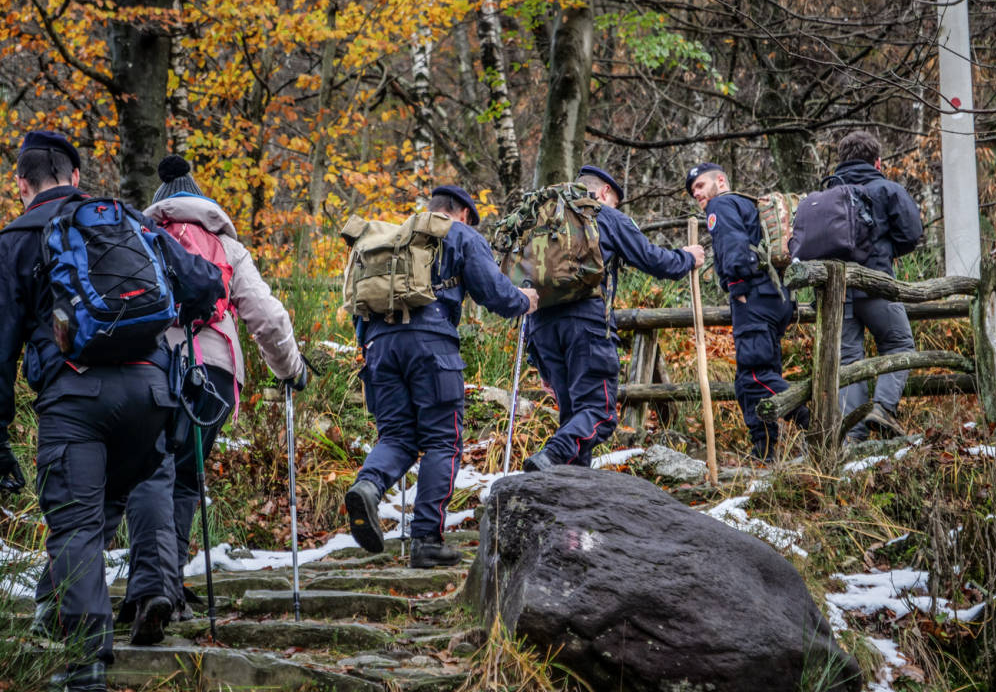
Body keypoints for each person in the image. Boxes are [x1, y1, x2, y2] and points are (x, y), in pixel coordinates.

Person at [0, 132, 223, 692]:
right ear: (76, 177)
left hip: (75, 400)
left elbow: (0, 349)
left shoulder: (16, 240)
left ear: (21, 184)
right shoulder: (127, 220)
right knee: (126, 492)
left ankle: (86, 663)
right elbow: (204, 284)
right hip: (151, 396)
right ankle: (106, 597)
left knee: (75, 522)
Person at [118, 155, 310, 643]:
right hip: (215, 376)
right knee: (185, 478)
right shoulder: (226, 245)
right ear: (203, 201)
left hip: (151, 370)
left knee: (149, 474)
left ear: (160, 205)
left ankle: (151, 589)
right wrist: (292, 369)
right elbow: (267, 317)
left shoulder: (141, 237)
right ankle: (168, 590)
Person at [345, 186, 539, 568]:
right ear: (462, 212)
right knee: (441, 441)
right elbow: (494, 293)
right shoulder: (459, 234)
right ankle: (426, 541)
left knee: (397, 437)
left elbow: (360, 305)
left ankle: (367, 485)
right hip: (431, 347)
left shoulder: (392, 238)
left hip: (379, 347)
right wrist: (524, 300)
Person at [522, 165, 705, 472]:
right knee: (599, 413)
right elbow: (653, 260)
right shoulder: (602, 215)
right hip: (586, 326)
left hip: (541, 328)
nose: (616, 207)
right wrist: (687, 257)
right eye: (616, 202)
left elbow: (525, 281)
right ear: (605, 191)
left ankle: (566, 484)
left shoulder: (541, 221)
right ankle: (553, 455)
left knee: (574, 417)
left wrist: (535, 355)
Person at [686, 162, 808, 463]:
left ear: (720, 180)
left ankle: (817, 423)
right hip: (776, 297)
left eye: (700, 185)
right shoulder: (747, 205)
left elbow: (733, 247)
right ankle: (763, 451)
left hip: (754, 299)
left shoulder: (720, 205)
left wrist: (737, 288)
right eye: (693, 191)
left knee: (755, 376)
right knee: (751, 381)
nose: (696, 193)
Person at [828, 131, 922, 441]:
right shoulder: (887, 189)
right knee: (899, 345)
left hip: (837, 294)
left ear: (842, 160)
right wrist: (888, 251)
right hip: (876, 284)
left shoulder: (828, 193)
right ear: (877, 162)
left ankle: (852, 437)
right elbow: (911, 234)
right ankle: (882, 408)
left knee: (848, 362)